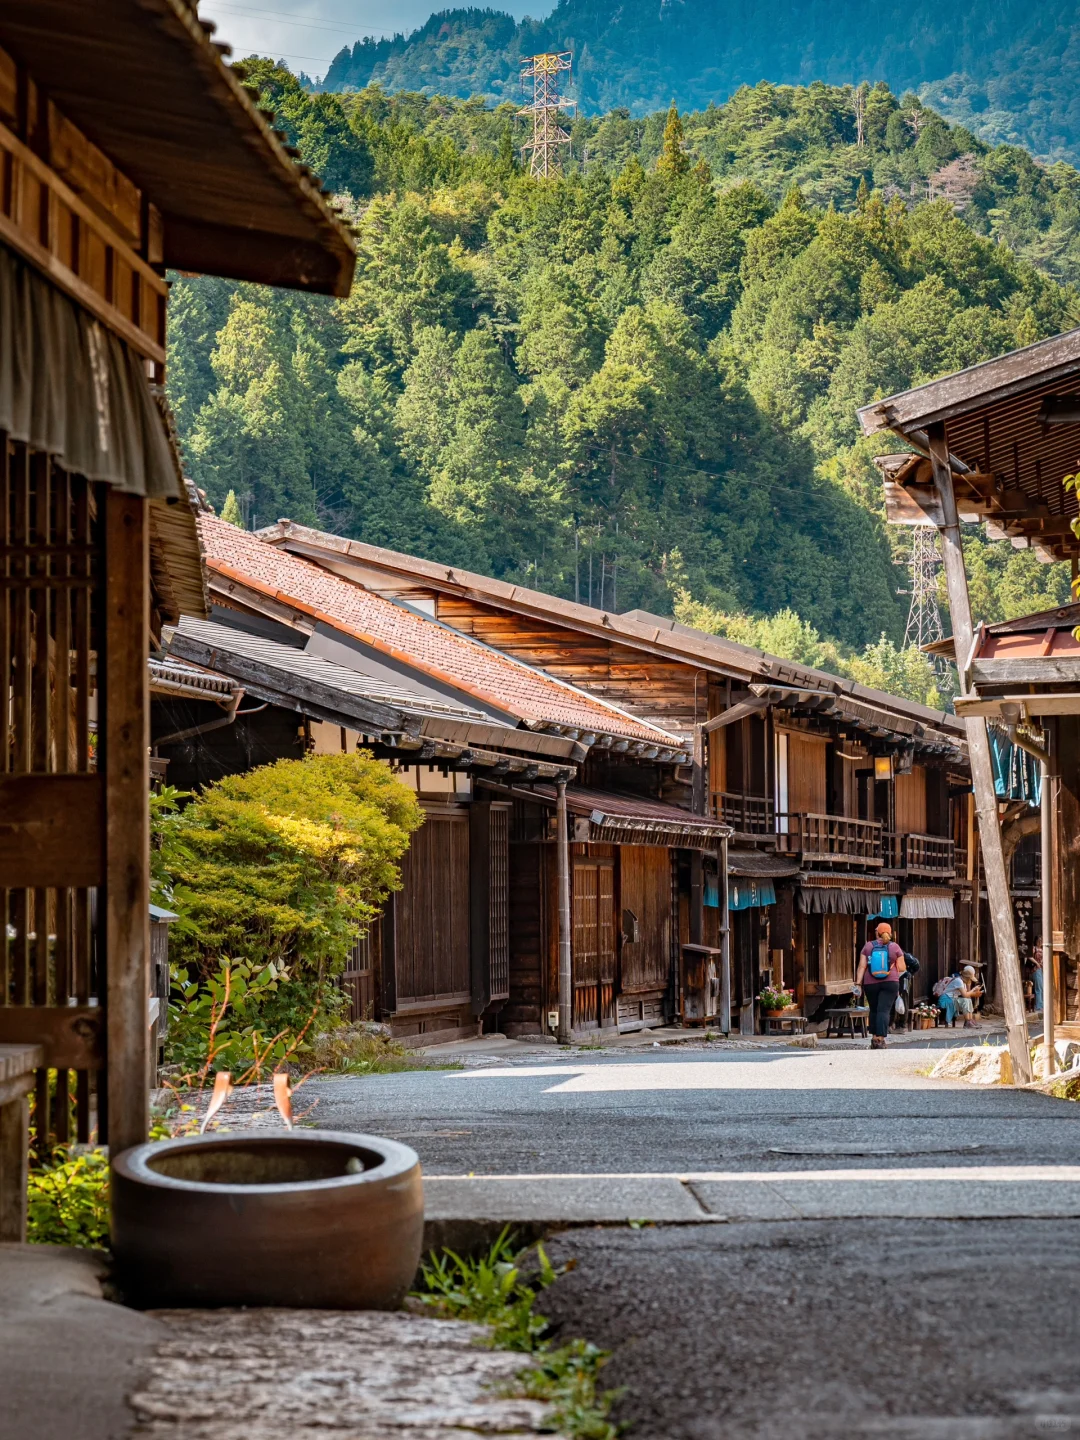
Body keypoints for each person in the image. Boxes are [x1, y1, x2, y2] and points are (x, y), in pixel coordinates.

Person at [855, 923, 906, 1049]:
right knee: (884, 1010)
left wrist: (858, 983)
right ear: (890, 933)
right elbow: (902, 967)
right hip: (890, 983)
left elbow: (862, 966)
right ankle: (880, 1039)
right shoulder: (895, 947)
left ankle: (873, 1038)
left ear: (877, 933)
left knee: (874, 1009)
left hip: (870, 983)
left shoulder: (868, 946)